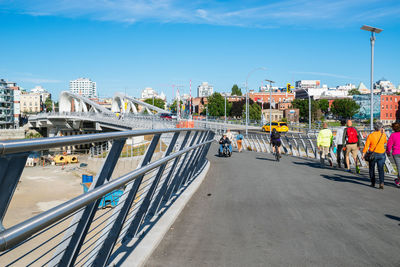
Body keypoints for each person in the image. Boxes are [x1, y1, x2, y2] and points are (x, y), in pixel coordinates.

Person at [363, 121, 387, 189]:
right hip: (381, 153)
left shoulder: (370, 135)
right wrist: (383, 132)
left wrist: (363, 153)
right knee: (381, 169)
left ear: (374, 127)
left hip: (372, 154)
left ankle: (373, 182)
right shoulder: (383, 135)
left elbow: (366, 145)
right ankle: (381, 183)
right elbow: (385, 141)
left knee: (371, 168)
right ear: (381, 128)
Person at [386, 122, 400, 187]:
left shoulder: (393, 135)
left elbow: (389, 144)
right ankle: (398, 180)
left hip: (396, 153)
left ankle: (398, 180)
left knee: (399, 167)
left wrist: (388, 152)